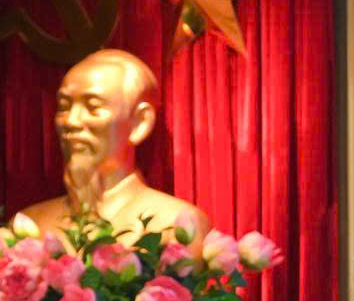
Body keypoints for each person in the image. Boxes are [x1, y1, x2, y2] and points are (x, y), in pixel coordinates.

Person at [21, 48, 212, 243]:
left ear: (139, 123)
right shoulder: (30, 225)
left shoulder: (176, 224)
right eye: (64, 107)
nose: (71, 121)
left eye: (93, 107)